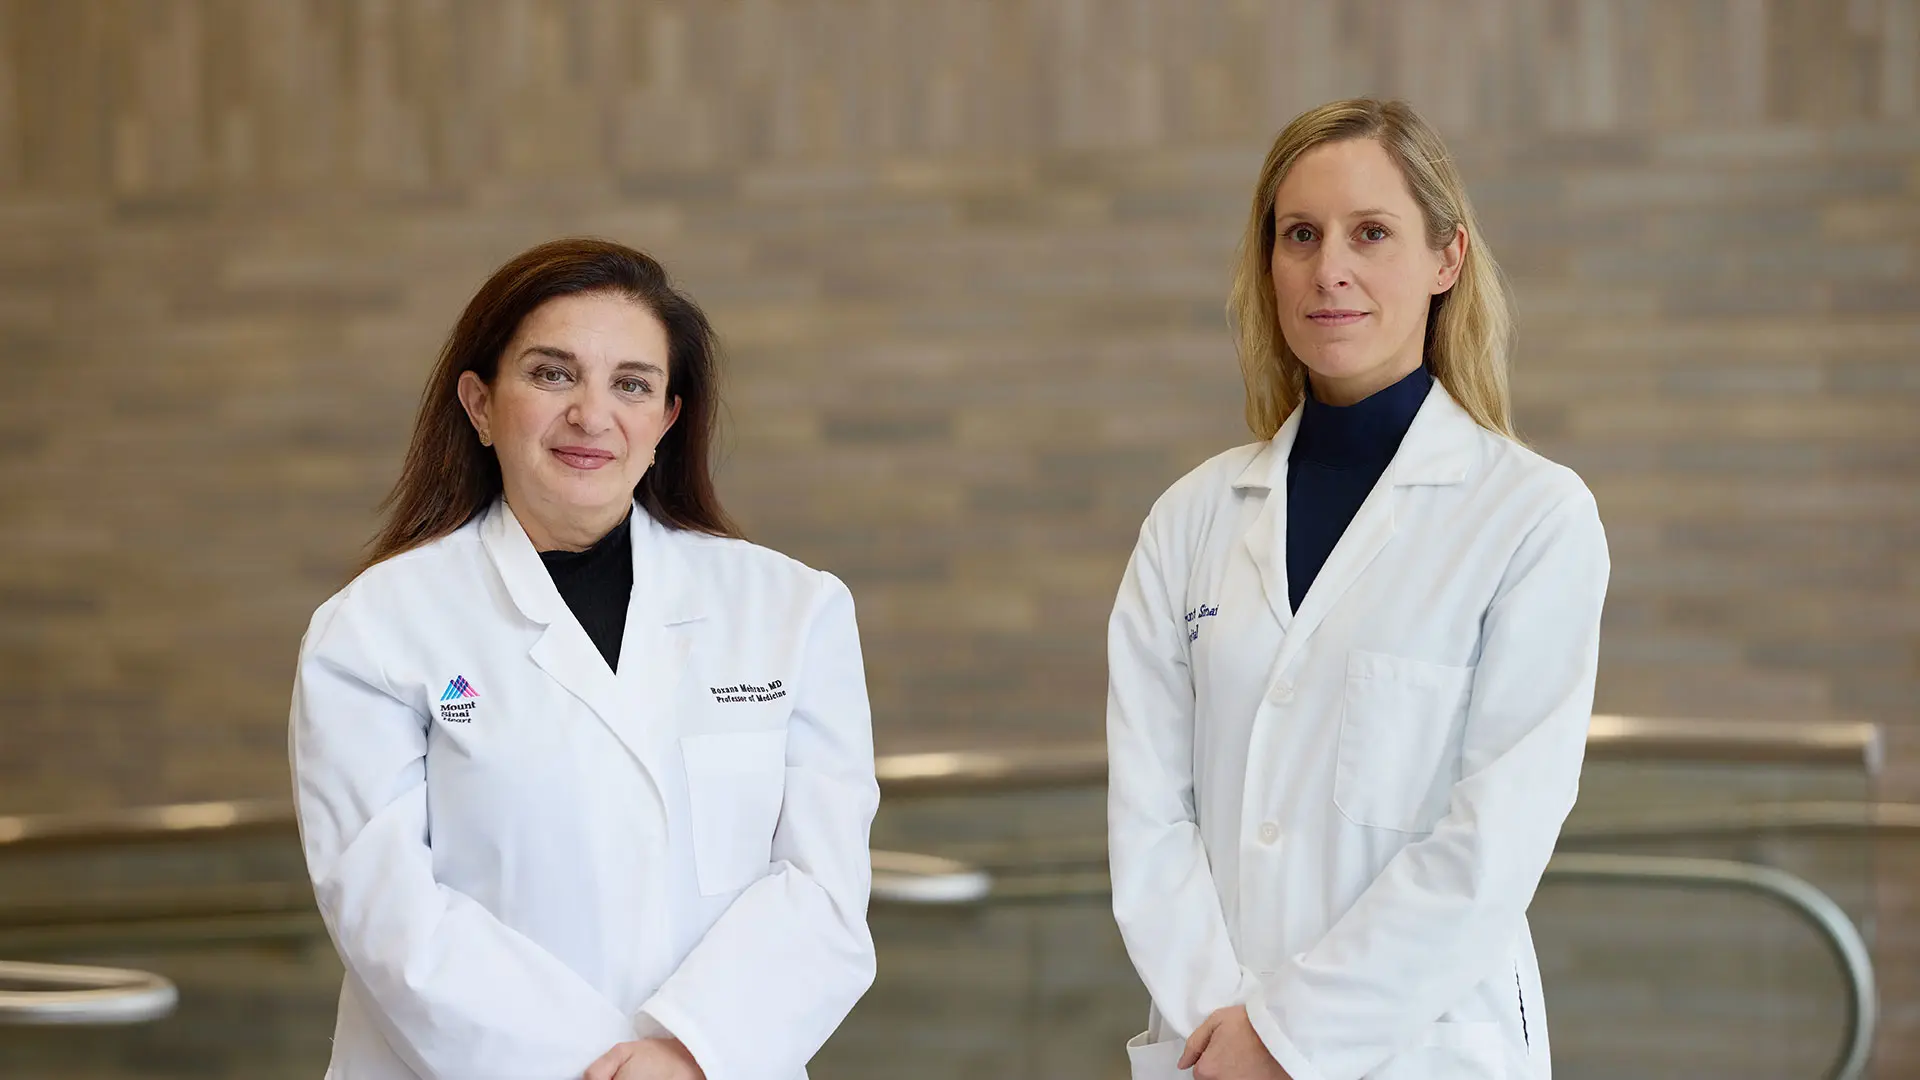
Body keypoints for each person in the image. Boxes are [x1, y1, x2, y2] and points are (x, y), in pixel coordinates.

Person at [289, 238, 878, 1080]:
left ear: (666, 421)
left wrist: (689, 1054)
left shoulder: (794, 611)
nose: (592, 415)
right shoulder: (376, 629)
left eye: (631, 384)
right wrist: (598, 1069)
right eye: (552, 374)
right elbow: (387, 911)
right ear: (480, 403)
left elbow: (823, 887)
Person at [1106, 99, 1610, 1080]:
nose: (1329, 267)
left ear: (1445, 260)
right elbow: (1148, 816)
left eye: (1370, 233)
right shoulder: (1191, 519)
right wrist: (1227, 1035)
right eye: (1301, 235)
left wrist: (1290, 1040)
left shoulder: (1532, 517)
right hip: (1208, 1046)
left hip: (1424, 1052)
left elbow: (1492, 839)